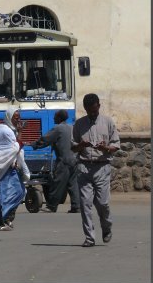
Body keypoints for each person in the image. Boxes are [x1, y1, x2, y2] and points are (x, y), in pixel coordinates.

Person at [72, 93, 119, 247]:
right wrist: (81, 145)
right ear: (85, 109)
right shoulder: (79, 124)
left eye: (94, 110)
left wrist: (105, 147)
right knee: (85, 204)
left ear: (99, 106)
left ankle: (106, 227)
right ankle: (89, 237)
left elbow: (115, 146)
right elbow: (73, 147)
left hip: (102, 166)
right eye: (89, 111)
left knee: (103, 203)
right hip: (84, 167)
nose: (92, 114)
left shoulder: (108, 122)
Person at [0, 112, 26, 231]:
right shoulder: (5, 130)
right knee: (17, 192)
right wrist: (20, 132)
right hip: (8, 167)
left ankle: (0, 220)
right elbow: (16, 146)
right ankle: (0, 221)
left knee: (6, 194)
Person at [33, 109, 80, 213]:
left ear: (59, 118)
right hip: (75, 159)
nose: (53, 118)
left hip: (64, 160)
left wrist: (34, 145)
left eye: (55, 116)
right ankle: (76, 206)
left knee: (57, 183)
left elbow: (45, 139)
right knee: (73, 184)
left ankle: (51, 206)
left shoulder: (58, 128)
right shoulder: (72, 127)